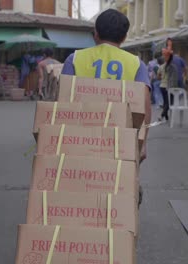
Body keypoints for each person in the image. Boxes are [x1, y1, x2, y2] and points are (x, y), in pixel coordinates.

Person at [61, 8, 151, 162]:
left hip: (79, 137)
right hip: (120, 139)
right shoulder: (136, 64)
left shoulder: (74, 59)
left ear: (96, 33)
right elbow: (145, 105)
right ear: (124, 37)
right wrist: (142, 143)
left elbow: (61, 101)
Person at [157, 48, 178, 121]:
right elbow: (175, 79)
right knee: (169, 103)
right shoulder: (173, 67)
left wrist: (162, 78)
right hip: (169, 87)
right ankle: (162, 115)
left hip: (162, 86)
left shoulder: (161, 66)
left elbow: (158, 77)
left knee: (166, 102)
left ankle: (166, 117)